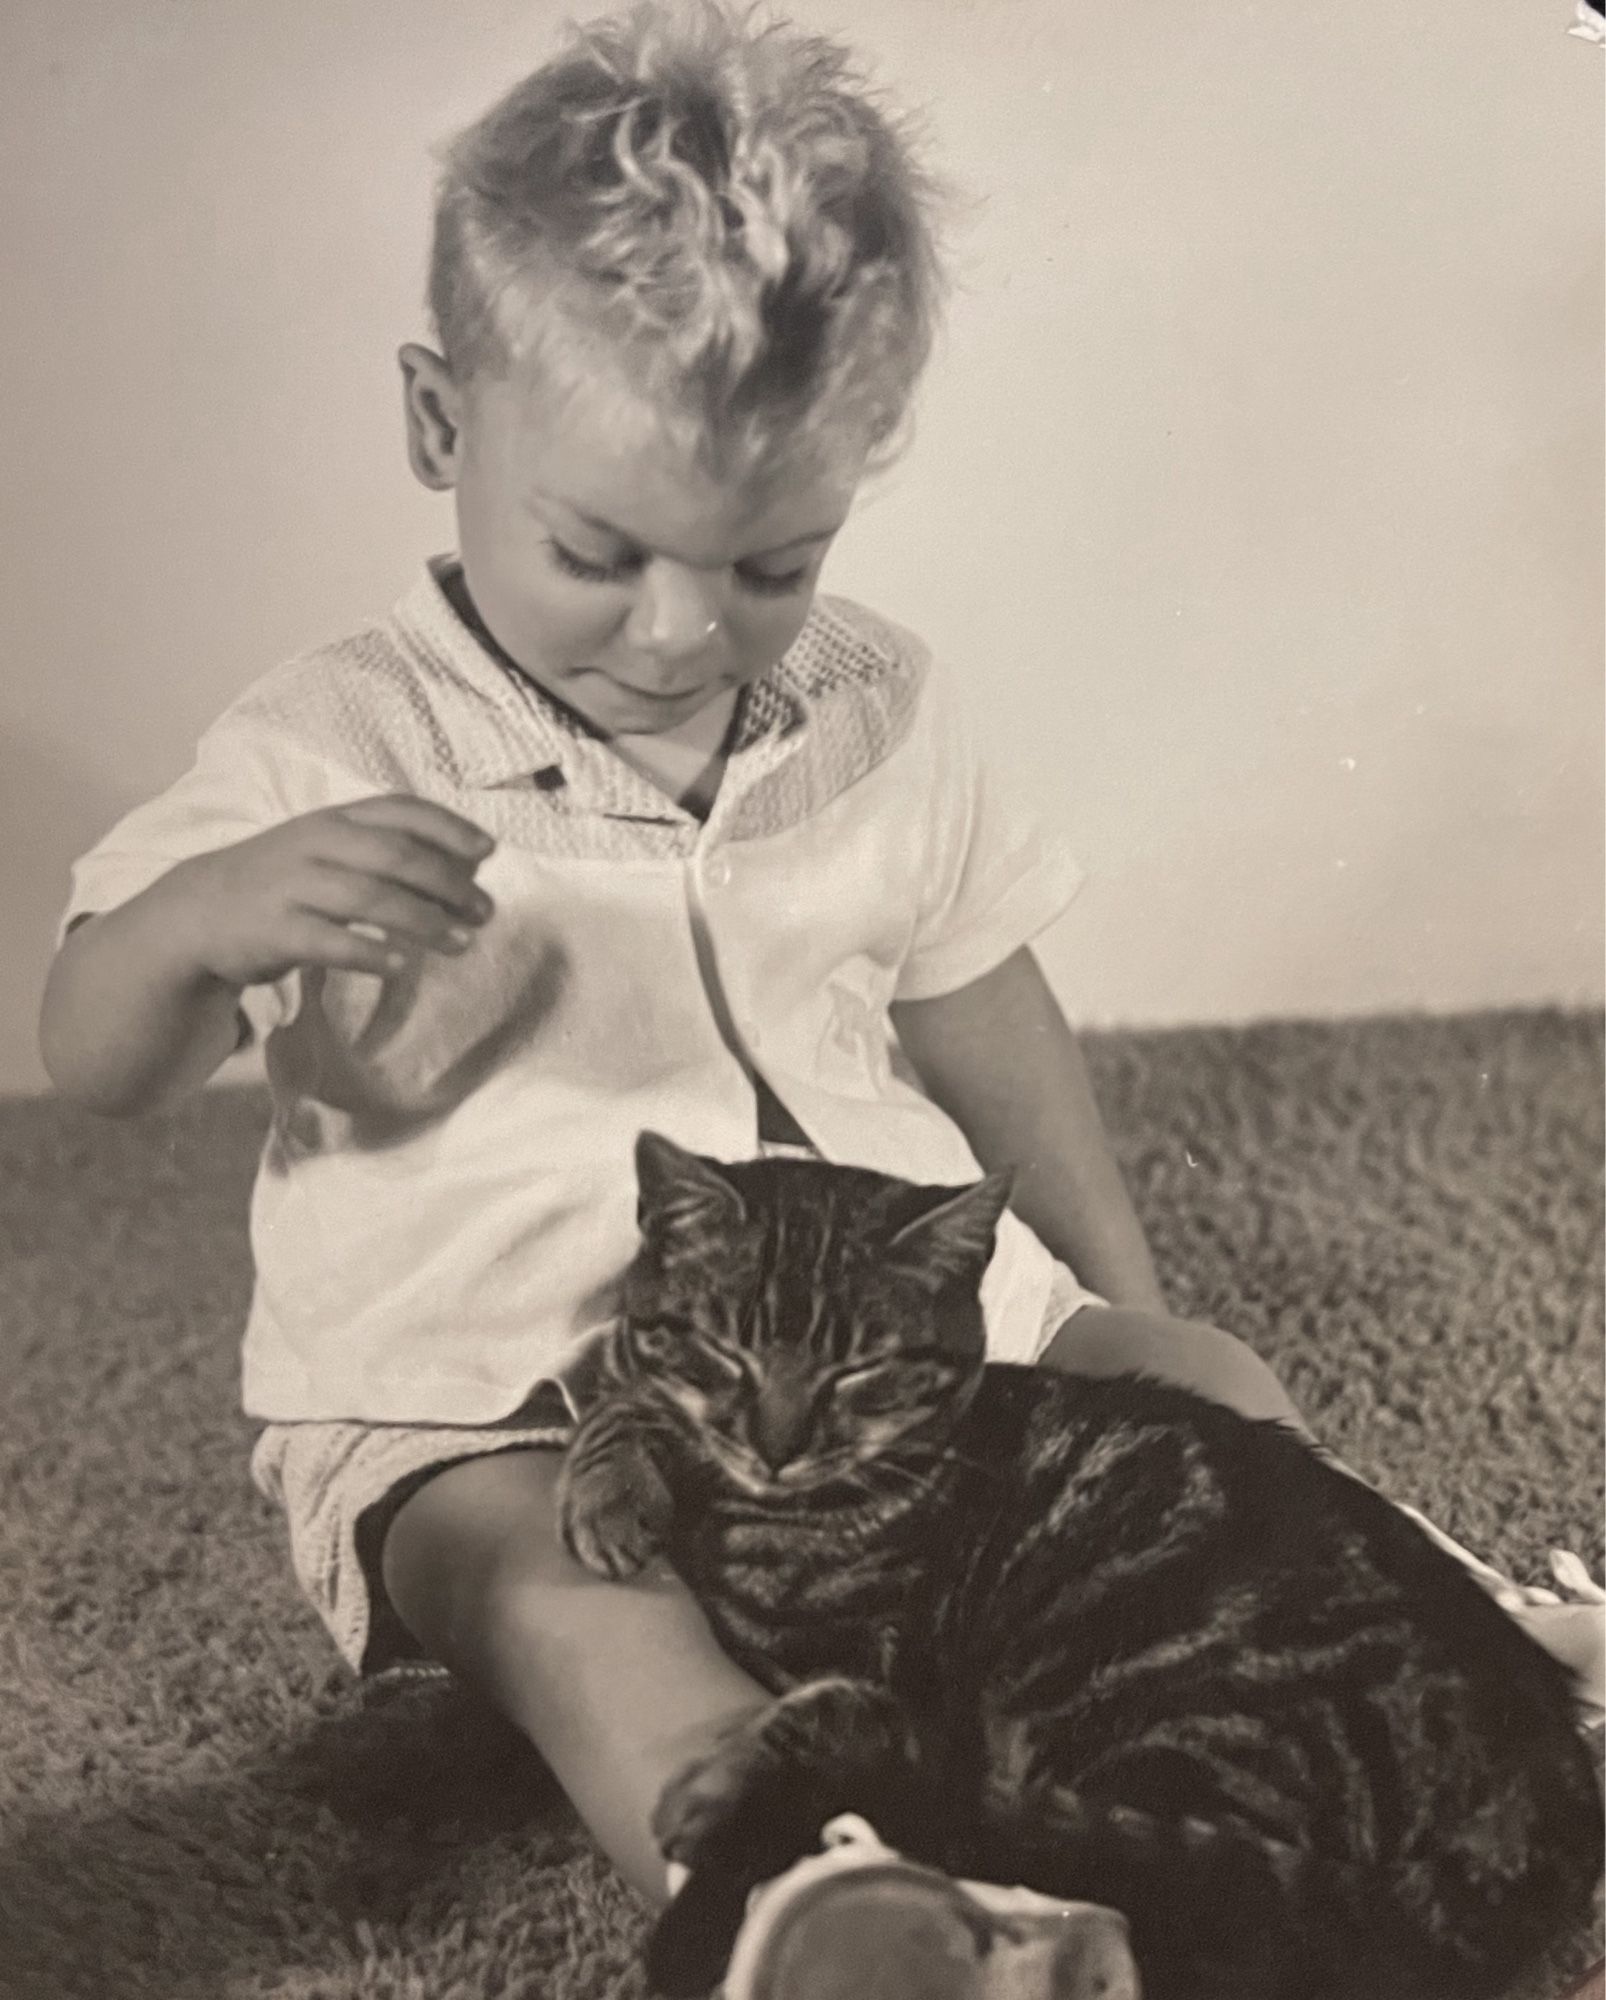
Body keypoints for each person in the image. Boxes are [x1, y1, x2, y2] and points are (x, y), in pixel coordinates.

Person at [38, 5, 1600, 1995]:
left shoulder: (875, 703)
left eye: (767, 562)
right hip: (475, 1391)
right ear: (443, 426)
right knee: (567, 1592)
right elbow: (96, 1051)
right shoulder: (330, 737)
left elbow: (975, 1000)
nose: (682, 633)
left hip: (882, 1345)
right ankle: (834, 1900)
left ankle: (1478, 1662)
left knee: (1216, 1417)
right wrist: (201, 915)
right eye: (600, 553)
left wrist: (1109, 1298)